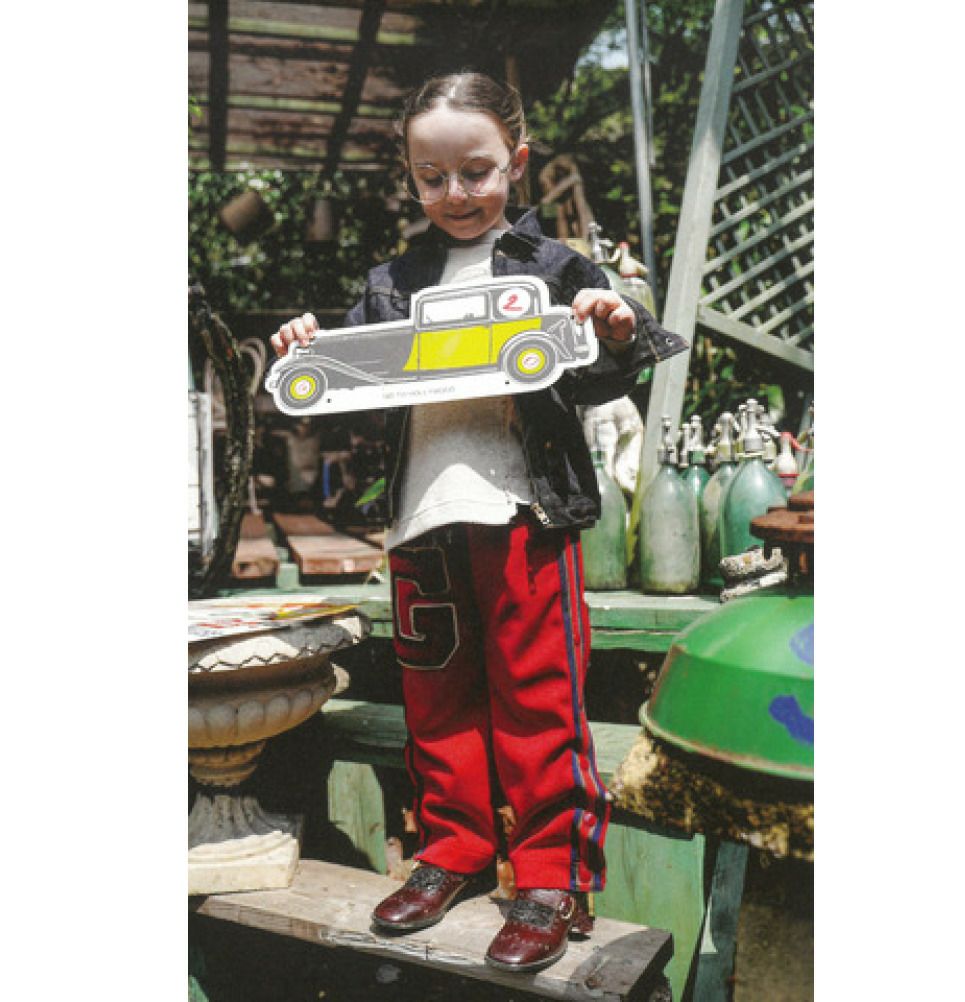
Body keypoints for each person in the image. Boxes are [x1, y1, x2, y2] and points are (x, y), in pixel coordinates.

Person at [271, 71, 687, 973]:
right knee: (436, 696)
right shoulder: (390, 281)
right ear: (411, 176)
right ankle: (451, 849)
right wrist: (308, 345)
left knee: (541, 695)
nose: (455, 193)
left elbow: (615, 366)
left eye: (476, 171)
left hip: (525, 509)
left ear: (516, 162)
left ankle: (550, 877)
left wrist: (614, 323)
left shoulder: (558, 268)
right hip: (421, 516)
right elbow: (345, 385)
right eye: (432, 176)